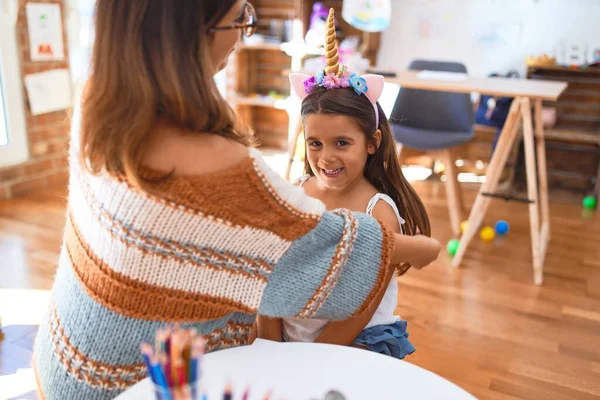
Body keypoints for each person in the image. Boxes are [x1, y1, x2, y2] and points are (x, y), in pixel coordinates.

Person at [33, 2, 440, 399]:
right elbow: (294, 254)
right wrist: (412, 247)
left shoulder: (97, 104)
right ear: (192, 31)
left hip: (67, 358)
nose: (243, 34)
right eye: (239, 19)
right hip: (141, 382)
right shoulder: (218, 165)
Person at [258, 10, 429, 359]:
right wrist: (270, 347)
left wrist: (309, 359)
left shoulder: (379, 213)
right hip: (289, 336)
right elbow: (273, 272)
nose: (326, 157)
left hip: (351, 343)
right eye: (315, 143)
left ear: (372, 142)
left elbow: (361, 307)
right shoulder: (299, 191)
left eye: (342, 143)